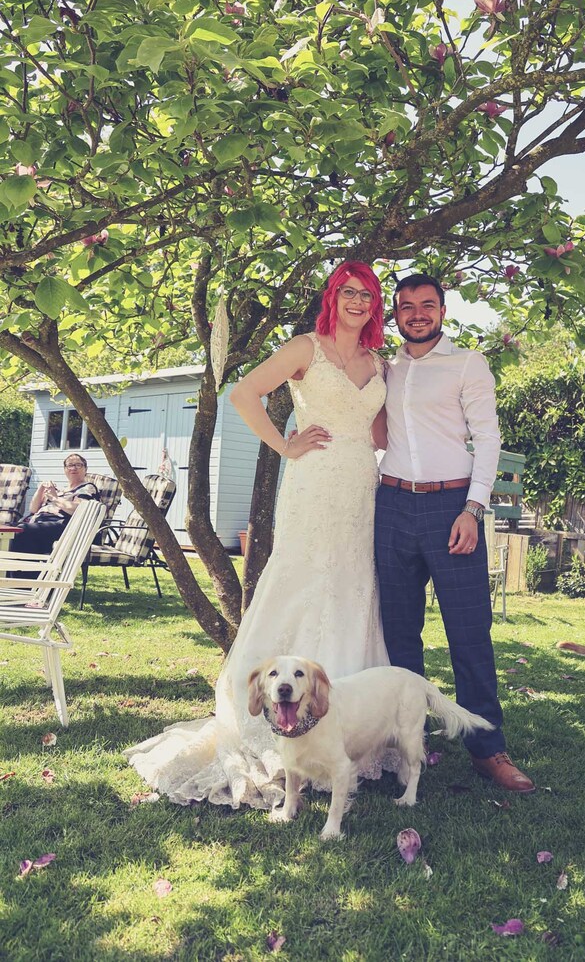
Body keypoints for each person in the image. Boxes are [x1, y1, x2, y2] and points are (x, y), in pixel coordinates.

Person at [126, 261, 392, 809]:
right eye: (349, 291)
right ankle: (274, 720)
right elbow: (244, 394)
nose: (358, 301)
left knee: (352, 586)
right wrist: (285, 445)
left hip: (360, 485)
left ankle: (346, 726)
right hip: (313, 480)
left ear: (375, 303)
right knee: (302, 580)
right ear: (333, 295)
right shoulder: (306, 348)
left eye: (367, 294)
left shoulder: (377, 361)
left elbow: (382, 429)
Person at [374, 273, 536, 794]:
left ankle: (488, 749)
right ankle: (408, 743)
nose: (416, 314)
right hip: (392, 504)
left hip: (453, 506)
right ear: (394, 314)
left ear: (443, 311)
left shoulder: (468, 363)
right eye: (406, 307)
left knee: (469, 634)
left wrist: (473, 507)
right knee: (399, 634)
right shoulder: (383, 369)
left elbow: (488, 437)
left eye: (427, 305)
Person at [11, 454, 99, 556]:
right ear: (65, 469)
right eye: (70, 465)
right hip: (39, 523)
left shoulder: (87, 488)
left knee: (22, 530)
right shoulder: (61, 491)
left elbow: (78, 510)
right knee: (8, 530)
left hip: (64, 526)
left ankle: (23, 571)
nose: (73, 468)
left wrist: (54, 498)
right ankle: (10, 570)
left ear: (85, 469)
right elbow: (33, 509)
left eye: (78, 465)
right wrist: (41, 490)